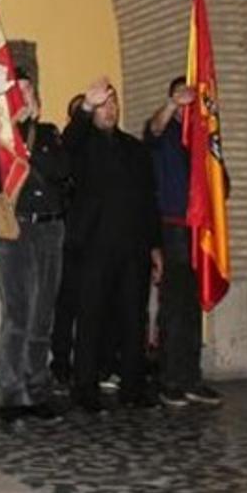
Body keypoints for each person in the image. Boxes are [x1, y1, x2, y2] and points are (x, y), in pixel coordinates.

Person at [63, 77, 162, 413]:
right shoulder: (83, 145)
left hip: (133, 249)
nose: (110, 109)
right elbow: (69, 144)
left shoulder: (135, 149)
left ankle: (132, 386)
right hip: (93, 248)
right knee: (90, 319)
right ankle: (85, 389)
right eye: (103, 105)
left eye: (113, 103)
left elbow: (149, 201)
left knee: (133, 318)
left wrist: (155, 246)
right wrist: (86, 106)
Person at [0, 76, 70, 423]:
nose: (21, 95)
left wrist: (26, 142)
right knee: (17, 315)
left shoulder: (48, 133)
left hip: (50, 229)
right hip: (12, 229)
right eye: (15, 90)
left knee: (42, 315)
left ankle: (38, 388)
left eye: (27, 90)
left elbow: (63, 169)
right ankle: (13, 394)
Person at [144, 77, 224, 408]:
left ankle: (192, 377)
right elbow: (153, 129)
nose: (191, 103)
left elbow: (221, 181)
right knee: (174, 308)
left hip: (200, 231)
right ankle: (169, 380)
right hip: (173, 227)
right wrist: (173, 104)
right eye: (184, 98)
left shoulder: (203, 137)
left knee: (193, 307)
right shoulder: (166, 133)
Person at [49, 93, 85, 391]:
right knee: (65, 305)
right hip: (68, 235)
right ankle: (60, 363)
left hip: (95, 239)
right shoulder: (65, 145)